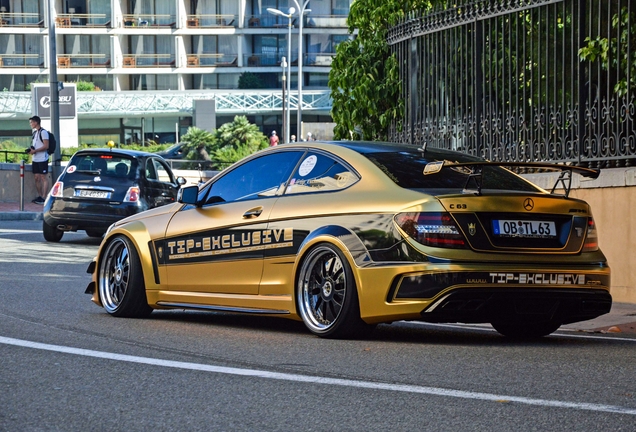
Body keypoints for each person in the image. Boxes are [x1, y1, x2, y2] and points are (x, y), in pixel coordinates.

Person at [27, 116, 50, 204]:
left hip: (43, 158)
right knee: (36, 178)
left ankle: (44, 197)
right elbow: (36, 145)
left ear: (36, 122)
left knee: (43, 177)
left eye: (31, 122)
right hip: (35, 159)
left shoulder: (43, 132)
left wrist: (35, 151)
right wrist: (31, 150)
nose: (31, 124)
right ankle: (40, 196)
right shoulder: (35, 133)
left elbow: (46, 146)